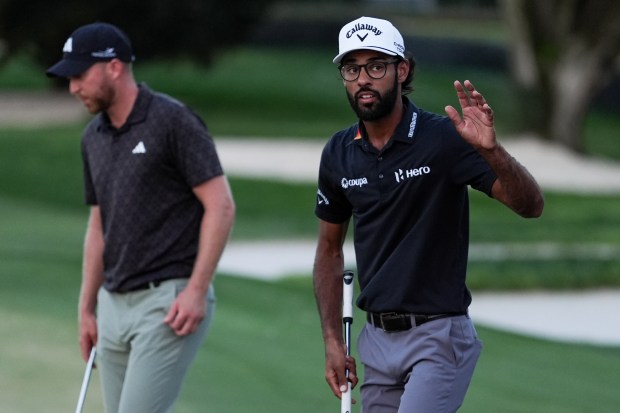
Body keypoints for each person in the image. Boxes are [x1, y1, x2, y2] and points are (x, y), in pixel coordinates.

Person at [313, 16, 544, 413]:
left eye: (376, 66)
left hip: (438, 336)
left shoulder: (443, 139)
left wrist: (492, 152)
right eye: (352, 68)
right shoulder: (338, 153)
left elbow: (530, 206)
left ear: (402, 70)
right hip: (377, 341)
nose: (363, 79)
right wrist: (334, 343)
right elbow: (329, 252)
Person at [46, 22, 235, 413]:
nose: (73, 87)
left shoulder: (172, 121)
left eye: (80, 75)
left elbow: (221, 205)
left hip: (168, 303)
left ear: (114, 67)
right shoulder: (92, 137)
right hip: (113, 303)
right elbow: (99, 225)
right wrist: (86, 308)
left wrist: (197, 290)